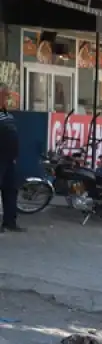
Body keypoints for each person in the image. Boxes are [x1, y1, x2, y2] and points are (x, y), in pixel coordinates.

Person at [0, 83, 23, 232]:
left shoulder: (8, 114)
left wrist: (14, 156)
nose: (7, 98)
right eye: (4, 95)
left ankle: (10, 221)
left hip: (9, 158)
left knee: (10, 189)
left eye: (7, 95)